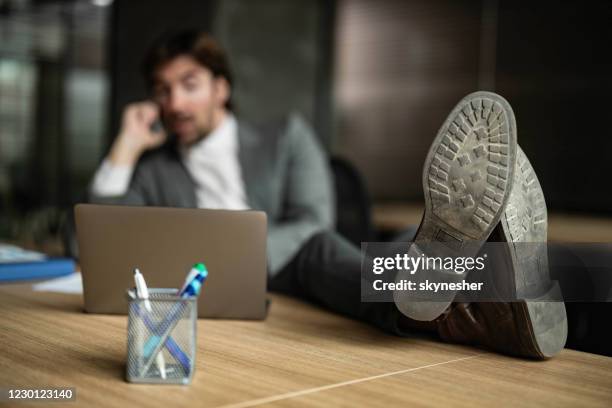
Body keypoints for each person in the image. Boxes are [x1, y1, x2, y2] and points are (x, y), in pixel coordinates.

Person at [88, 30, 567, 359]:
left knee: (330, 253)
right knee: (386, 264)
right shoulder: (155, 169)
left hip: (293, 265)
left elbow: (313, 219)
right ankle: (498, 306)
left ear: (221, 87)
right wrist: (126, 146)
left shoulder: (284, 138)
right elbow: (95, 245)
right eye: (162, 90)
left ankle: (479, 308)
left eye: (188, 85)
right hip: (203, 288)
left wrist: (247, 255)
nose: (174, 103)